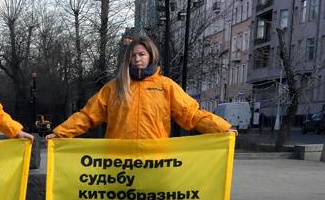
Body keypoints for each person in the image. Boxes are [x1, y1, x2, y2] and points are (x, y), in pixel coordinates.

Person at [46, 36, 233, 140]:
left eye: (142, 54)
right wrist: (59, 133)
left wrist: (222, 128)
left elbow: (191, 114)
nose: (137, 59)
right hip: (118, 162)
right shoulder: (114, 88)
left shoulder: (166, 86)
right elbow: (87, 115)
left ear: (150, 56)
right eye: (133, 55)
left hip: (154, 161)